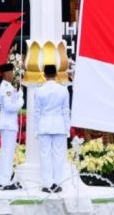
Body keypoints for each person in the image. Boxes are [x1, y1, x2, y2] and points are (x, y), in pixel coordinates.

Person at [35, 65, 70, 193]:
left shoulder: (39, 90)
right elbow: (66, 111)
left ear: (44, 74)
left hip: (44, 124)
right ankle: (57, 183)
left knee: (45, 155)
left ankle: (47, 183)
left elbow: (37, 112)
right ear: (56, 74)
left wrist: (36, 130)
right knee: (58, 155)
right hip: (59, 124)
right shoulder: (63, 89)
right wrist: (67, 128)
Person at [0, 63, 24, 190]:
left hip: (8, 124)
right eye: (11, 72)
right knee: (7, 153)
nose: (13, 74)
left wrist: (18, 95)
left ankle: (6, 179)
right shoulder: (6, 88)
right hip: (8, 124)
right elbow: (9, 107)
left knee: (8, 153)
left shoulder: (8, 87)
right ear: (6, 74)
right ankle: (5, 181)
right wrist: (21, 101)